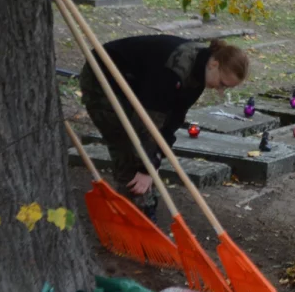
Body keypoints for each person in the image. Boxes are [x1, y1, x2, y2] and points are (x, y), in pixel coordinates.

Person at [80, 36, 248, 221]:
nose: (220, 90)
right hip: (103, 77)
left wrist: (155, 160)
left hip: (135, 85)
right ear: (214, 64)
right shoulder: (175, 70)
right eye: (223, 83)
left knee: (148, 155)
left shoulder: (198, 76)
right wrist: (146, 168)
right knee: (127, 146)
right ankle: (133, 214)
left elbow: (171, 122)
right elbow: (147, 124)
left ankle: (144, 207)